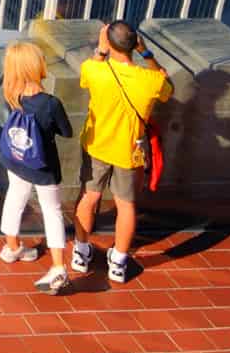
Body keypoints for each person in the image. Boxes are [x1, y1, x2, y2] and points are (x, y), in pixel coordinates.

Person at [72, 20, 171, 284]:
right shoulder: (151, 80)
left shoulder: (93, 70)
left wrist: (101, 50)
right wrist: (146, 52)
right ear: (134, 44)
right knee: (126, 205)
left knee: (89, 196)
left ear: (109, 42)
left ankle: (80, 253)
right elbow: (166, 86)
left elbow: (88, 74)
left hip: (96, 145)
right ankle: (118, 261)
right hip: (129, 150)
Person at [0, 40, 74, 293]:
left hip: (16, 159)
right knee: (52, 211)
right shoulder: (50, 103)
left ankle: (13, 248)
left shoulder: (12, 95)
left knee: (15, 198)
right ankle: (59, 267)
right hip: (43, 166)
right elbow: (67, 131)